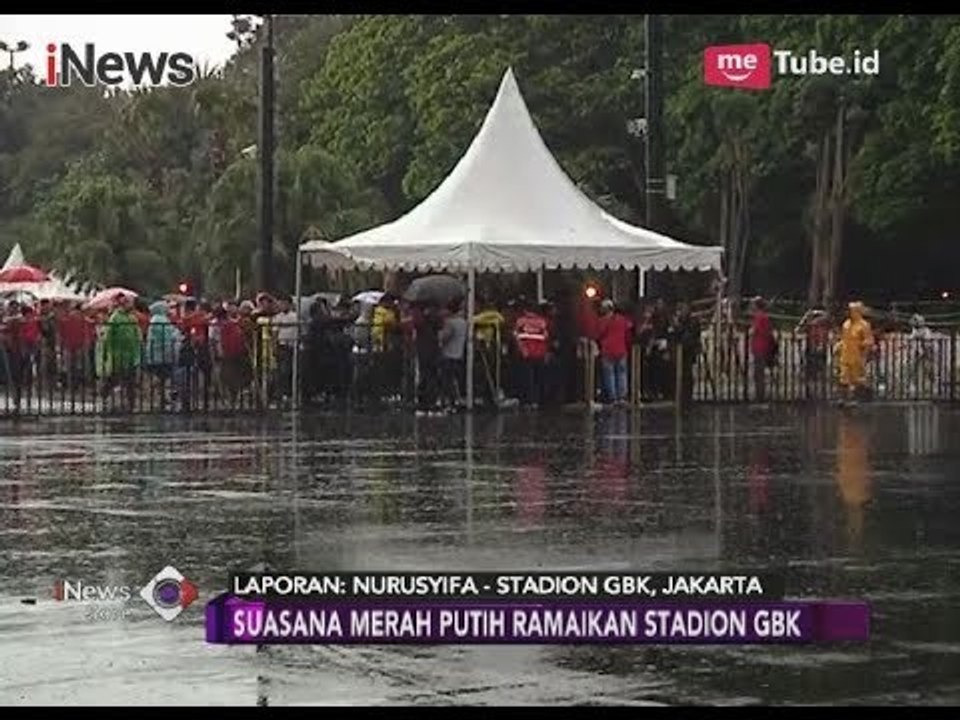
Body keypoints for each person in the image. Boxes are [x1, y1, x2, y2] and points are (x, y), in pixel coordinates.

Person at [101, 294, 142, 411]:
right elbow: (108, 335)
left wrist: (138, 346)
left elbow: (137, 333)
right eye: (128, 303)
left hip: (131, 354)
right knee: (113, 378)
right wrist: (107, 352)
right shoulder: (115, 317)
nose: (131, 305)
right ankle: (104, 396)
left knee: (130, 381)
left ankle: (131, 404)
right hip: (118, 354)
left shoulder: (132, 318)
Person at [144, 300, 183, 406]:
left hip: (158, 353)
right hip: (162, 353)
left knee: (162, 377)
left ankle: (161, 397)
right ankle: (159, 396)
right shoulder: (160, 320)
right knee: (163, 376)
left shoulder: (155, 319)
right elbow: (168, 334)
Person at [513, 299, 550, 408]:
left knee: (526, 378)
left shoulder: (521, 321)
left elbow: (516, 336)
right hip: (539, 353)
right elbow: (546, 337)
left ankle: (528, 400)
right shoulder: (542, 321)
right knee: (538, 378)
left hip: (526, 353)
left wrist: (521, 349)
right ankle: (537, 401)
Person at [595, 299, 632, 405]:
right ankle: (622, 397)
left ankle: (613, 397)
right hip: (621, 349)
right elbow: (629, 332)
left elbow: (598, 334)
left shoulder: (602, 321)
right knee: (622, 373)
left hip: (607, 350)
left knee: (609, 374)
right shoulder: (623, 319)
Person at [837, 301, 873, 403]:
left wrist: (864, 352)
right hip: (845, 355)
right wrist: (839, 345)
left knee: (857, 379)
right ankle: (843, 399)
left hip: (857, 356)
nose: (849, 312)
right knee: (843, 378)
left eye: (851, 310)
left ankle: (861, 397)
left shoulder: (864, 325)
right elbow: (844, 338)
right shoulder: (846, 324)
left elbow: (869, 341)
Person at [669, 302, 701, 406]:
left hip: (688, 351)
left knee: (687, 375)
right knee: (678, 374)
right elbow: (672, 335)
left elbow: (688, 336)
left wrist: (678, 327)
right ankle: (678, 396)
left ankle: (687, 398)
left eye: (681, 310)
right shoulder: (679, 322)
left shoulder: (692, 321)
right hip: (678, 352)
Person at [414, 304, 443, 414]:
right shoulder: (434, 322)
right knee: (430, 375)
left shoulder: (424, 322)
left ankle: (426, 399)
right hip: (431, 351)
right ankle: (429, 399)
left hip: (425, 352)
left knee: (427, 375)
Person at [438, 300, 467, 408]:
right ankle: (457, 399)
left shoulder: (450, 323)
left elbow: (445, 337)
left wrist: (440, 333)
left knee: (447, 380)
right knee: (456, 379)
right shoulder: (463, 322)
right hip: (459, 354)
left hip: (448, 355)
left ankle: (449, 401)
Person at [273, 296, 299, 404]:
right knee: (281, 370)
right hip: (282, 345)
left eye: (284, 303)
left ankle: (290, 393)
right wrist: (274, 346)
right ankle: (281, 393)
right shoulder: (278, 317)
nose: (282, 306)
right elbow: (275, 332)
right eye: (281, 303)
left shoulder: (295, 316)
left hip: (292, 346)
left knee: (290, 370)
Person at [750, 297, 775, 402]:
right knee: (759, 371)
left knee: (759, 372)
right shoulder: (764, 316)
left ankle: (760, 395)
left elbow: (755, 330)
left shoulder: (759, 317)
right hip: (763, 346)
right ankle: (760, 394)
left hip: (759, 346)